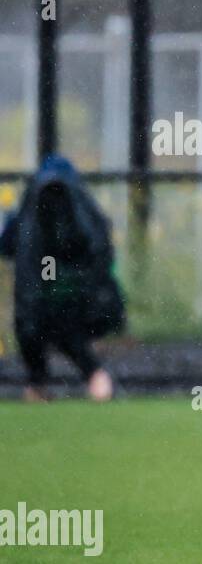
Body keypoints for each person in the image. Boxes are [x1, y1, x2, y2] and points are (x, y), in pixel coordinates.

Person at [0, 154, 122, 402]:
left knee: (35, 330)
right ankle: (94, 380)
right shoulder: (80, 207)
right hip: (66, 289)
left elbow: (8, 244)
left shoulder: (32, 208)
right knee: (64, 333)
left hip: (43, 290)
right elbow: (100, 248)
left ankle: (40, 385)